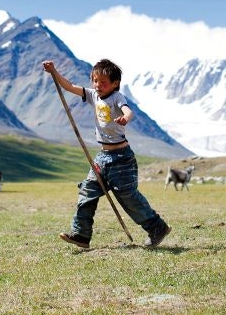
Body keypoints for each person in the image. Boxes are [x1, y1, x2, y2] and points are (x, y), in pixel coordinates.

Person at [43, 59, 171, 250]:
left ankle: (157, 228)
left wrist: (125, 118)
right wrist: (54, 71)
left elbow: (129, 111)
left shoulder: (117, 98)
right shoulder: (93, 95)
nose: (98, 85)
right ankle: (81, 234)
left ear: (115, 83)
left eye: (103, 82)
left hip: (122, 158)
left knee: (128, 196)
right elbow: (69, 86)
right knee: (87, 191)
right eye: (95, 81)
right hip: (102, 158)